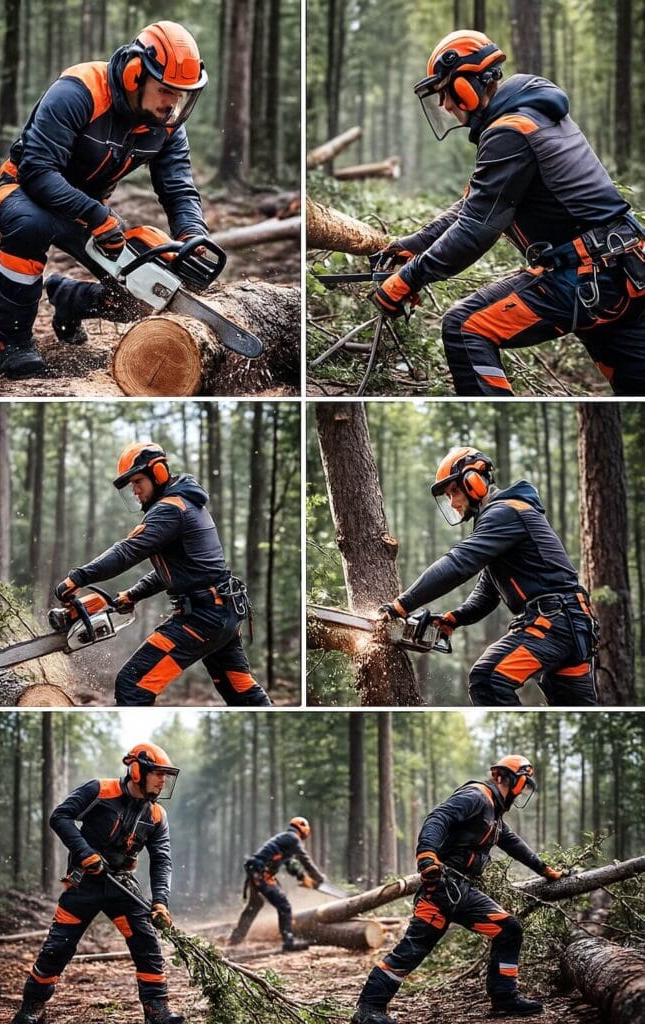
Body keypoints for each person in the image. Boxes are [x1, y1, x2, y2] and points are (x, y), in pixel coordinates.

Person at [371, 30, 645, 396]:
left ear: (467, 84)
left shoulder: (510, 131)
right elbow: (471, 207)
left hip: (589, 276)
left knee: (464, 327)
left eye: (445, 93)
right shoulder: (527, 115)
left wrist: (410, 277)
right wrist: (410, 246)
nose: (445, 106)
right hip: (626, 268)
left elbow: (475, 228)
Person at [0, 21, 209, 377]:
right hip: (21, 189)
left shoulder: (166, 123)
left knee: (149, 284)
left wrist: (191, 233)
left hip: (87, 210)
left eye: (181, 94)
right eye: (166, 90)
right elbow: (38, 170)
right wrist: (95, 214)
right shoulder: (80, 91)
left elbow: (178, 187)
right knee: (31, 224)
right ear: (136, 74)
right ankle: (11, 344)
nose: (172, 104)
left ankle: (71, 299)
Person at [55, 441, 271, 707]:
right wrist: (133, 595)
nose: (134, 491)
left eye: (138, 482)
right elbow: (176, 571)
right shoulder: (184, 503)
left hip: (202, 617)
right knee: (240, 690)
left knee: (132, 685)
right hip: (220, 610)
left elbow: (127, 551)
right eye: (130, 485)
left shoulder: (170, 509)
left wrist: (78, 578)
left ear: (158, 474)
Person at [352, 755, 568, 1022]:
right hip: (441, 887)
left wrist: (546, 871)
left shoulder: (495, 816)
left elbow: (515, 845)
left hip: (458, 890)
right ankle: (368, 1010)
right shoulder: (476, 796)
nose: (523, 790)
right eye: (522, 783)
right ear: (505, 778)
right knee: (414, 948)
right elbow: (438, 818)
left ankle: (504, 998)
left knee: (507, 929)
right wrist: (427, 855)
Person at [379, 446, 599, 706]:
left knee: (488, 678)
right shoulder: (500, 521)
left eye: (454, 491)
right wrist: (453, 619)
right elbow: (486, 595)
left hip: (555, 623)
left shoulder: (504, 512)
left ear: (474, 481)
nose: (453, 502)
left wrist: (400, 606)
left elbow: (458, 564)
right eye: (447, 496)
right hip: (572, 625)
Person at [11, 743, 184, 1024]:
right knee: (59, 946)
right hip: (85, 883)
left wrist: (160, 902)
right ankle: (32, 1006)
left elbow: (162, 861)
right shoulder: (99, 790)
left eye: (166, 775)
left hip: (122, 884)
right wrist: (85, 852)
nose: (163, 780)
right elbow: (60, 816)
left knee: (146, 942)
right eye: (158, 774)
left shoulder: (156, 816)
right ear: (138, 770)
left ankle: (157, 1008)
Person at [228, 817, 326, 952]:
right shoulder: (293, 838)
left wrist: (302, 877)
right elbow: (304, 859)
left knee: (255, 905)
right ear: (303, 828)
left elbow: (290, 863)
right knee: (284, 906)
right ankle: (289, 942)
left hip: (256, 871)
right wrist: (318, 877)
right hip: (261, 873)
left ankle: (235, 938)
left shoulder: (285, 839)